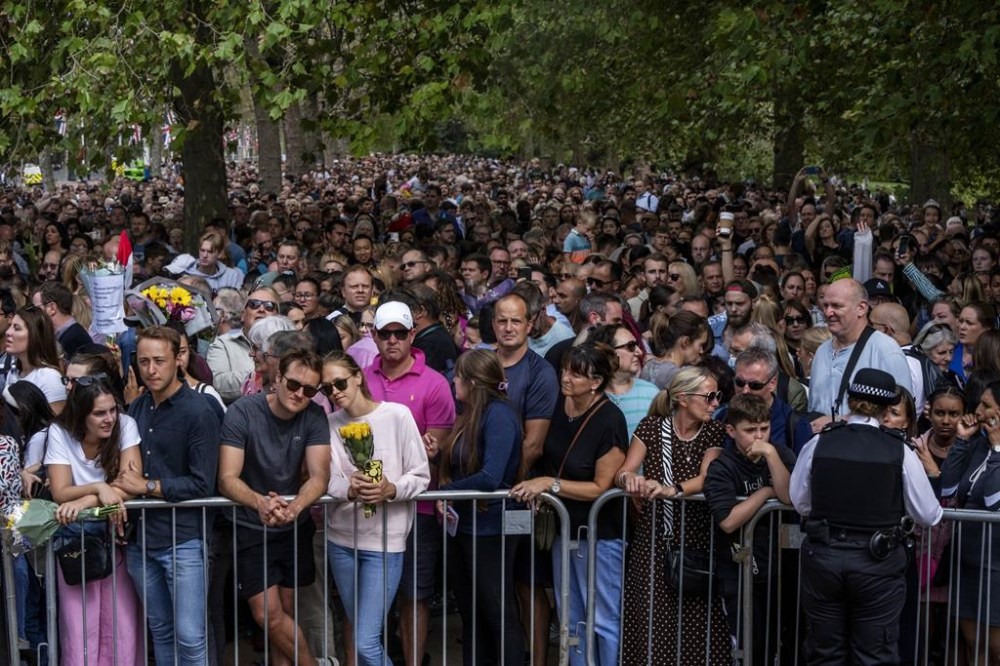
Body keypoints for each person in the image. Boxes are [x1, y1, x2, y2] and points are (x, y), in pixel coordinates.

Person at [790, 368, 943, 665]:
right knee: (874, 655)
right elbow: (928, 514)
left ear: (850, 400)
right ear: (887, 408)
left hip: (824, 556)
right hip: (877, 564)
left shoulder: (820, 442)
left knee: (824, 653)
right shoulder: (898, 450)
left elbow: (800, 501)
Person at [510, 344, 628, 666]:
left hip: (600, 535)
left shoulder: (610, 419)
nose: (566, 377)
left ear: (596, 382)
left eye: (576, 373)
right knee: (570, 617)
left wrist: (550, 484)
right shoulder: (562, 405)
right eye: (565, 369)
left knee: (602, 618)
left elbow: (601, 487)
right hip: (565, 529)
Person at [112, 326, 221, 666]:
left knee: (190, 637)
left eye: (159, 360)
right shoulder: (138, 407)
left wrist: (146, 487)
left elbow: (203, 483)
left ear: (178, 360)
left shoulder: (199, 410)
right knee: (160, 630)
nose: (151, 369)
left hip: (184, 539)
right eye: (143, 361)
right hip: (142, 540)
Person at [217, 349, 331, 666]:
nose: (299, 394)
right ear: (278, 378)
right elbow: (227, 477)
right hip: (252, 527)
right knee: (268, 616)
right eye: (294, 384)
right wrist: (261, 503)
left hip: (294, 524)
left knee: (286, 614)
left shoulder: (314, 416)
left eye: (310, 390)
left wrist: (293, 508)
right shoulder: (243, 412)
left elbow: (320, 476)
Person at [362, 300, 455, 666]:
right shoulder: (362, 378)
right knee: (366, 598)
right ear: (374, 335)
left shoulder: (434, 383)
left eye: (400, 333)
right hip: (369, 503)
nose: (393, 341)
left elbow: (439, 445)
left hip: (418, 505)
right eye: (385, 334)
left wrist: (433, 448)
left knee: (414, 594)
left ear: (412, 334)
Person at [615, 366, 728, 666]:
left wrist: (671, 489)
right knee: (651, 624)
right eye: (709, 397)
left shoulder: (714, 431)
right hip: (653, 541)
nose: (715, 403)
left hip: (697, 540)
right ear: (682, 398)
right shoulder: (651, 427)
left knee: (700, 627)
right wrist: (632, 481)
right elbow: (624, 470)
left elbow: (707, 477)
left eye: (717, 396)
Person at [324, 352, 430, 666]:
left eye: (339, 382)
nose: (335, 392)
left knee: (366, 641)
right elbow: (326, 478)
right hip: (340, 540)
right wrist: (349, 488)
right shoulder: (329, 424)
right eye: (327, 388)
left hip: (384, 543)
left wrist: (391, 489)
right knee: (358, 634)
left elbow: (420, 474)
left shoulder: (397, 415)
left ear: (358, 376)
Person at [46, 373, 144, 665]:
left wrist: (86, 500)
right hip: (75, 537)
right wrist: (100, 487)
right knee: (79, 628)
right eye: (99, 413)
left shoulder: (126, 425)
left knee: (122, 624)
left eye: (113, 409)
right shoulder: (59, 432)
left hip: (117, 536)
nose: (109, 418)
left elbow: (133, 482)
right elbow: (60, 491)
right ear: (81, 415)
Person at [439, 349, 523, 665]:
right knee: (472, 611)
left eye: (458, 376)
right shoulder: (468, 414)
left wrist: (444, 493)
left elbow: (490, 476)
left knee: (497, 611)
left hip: (492, 526)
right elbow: (466, 466)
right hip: (468, 524)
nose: (454, 381)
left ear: (472, 382)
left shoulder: (499, 414)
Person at [704, 393, 795, 666]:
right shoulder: (722, 467)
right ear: (731, 431)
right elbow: (729, 520)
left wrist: (770, 454)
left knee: (776, 642)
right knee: (746, 644)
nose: (759, 437)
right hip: (738, 567)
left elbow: (788, 496)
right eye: (750, 430)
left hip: (776, 567)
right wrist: (765, 493)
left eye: (764, 429)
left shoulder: (780, 454)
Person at [941, 379, 1000, 662]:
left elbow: (993, 500)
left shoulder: (993, 448)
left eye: (987, 406)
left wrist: (998, 450)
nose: (977, 410)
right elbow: (949, 488)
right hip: (967, 561)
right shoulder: (978, 445)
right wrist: (962, 441)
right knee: (972, 641)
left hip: (996, 564)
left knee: (995, 647)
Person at [807, 279, 912, 429]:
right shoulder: (821, 351)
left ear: (861, 308)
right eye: (825, 306)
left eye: (836, 306)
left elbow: (899, 413)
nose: (828, 312)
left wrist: (839, 421)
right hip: (822, 448)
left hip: (867, 448)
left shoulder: (886, 350)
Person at [206, 286, 279, 403]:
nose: (261, 309)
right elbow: (217, 384)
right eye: (254, 304)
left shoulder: (288, 344)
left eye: (269, 306)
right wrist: (260, 373)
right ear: (243, 314)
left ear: (277, 316)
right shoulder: (223, 343)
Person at [587, 324, 659, 436]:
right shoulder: (589, 395)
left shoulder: (652, 393)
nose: (639, 352)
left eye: (637, 345)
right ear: (607, 353)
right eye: (631, 346)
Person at [5, 305, 67, 413]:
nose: (8, 332)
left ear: (35, 335)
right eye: (10, 326)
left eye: (17, 328)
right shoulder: (13, 373)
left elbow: (56, 425)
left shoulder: (50, 377)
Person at [639, 310, 709, 390]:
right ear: (685, 342)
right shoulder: (677, 376)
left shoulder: (649, 365)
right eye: (700, 345)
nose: (701, 351)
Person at [32, 281, 91, 362]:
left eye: (36, 309)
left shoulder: (73, 339)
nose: (33, 314)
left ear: (52, 308)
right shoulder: (66, 334)